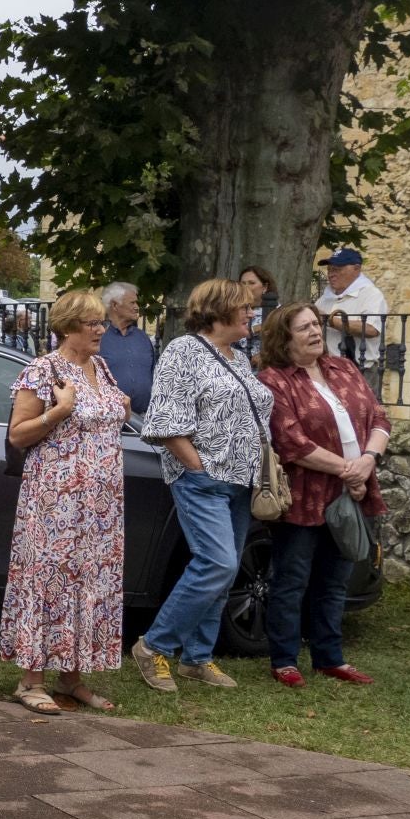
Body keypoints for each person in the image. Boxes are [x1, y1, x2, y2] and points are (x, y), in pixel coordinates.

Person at [131, 278, 272, 692]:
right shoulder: (184, 351)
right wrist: (198, 467)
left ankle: (197, 658)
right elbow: (163, 420)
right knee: (217, 563)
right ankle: (153, 646)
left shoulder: (239, 358)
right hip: (204, 480)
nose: (251, 313)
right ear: (219, 309)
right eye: (245, 307)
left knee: (223, 573)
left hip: (242, 481)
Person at [0, 289, 129, 712]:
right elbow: (18, 434)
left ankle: (72, 677)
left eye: (101, 323)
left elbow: (103, 418)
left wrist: (122, 410)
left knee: (88, 581)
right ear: (69, 326)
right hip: (55, 501)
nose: (100, 330)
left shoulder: (101, 367)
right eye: (93, 323)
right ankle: (30, 679)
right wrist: (58, 411)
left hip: (101, 506)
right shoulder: (44, 369)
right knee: (49, 579)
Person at [256, 303, 388, 686]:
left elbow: (379, 418)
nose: (315, 332)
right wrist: (349, 470)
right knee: (292, 579)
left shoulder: (344, 368)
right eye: (304, 328)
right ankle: (284, 659)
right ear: (285, 337)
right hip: (305, 493)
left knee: (335, 579)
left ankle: (329, 657)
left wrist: (367, 461)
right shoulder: (274, 380)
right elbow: (291, 441)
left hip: (352, 491)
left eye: (316, 324)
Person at [316, 249, 390, 375]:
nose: (331, 274)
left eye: (337, 269)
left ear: (356, 269)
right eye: (329, 270)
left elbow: (371, 329)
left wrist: (329, 320)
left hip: (360, 370)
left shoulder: (371, 294)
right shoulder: (325, 298)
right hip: (328, 367)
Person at [99, 281, 156, 414]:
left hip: (143, 419)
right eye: (132, 303)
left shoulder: (142, 338)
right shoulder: (98, 337)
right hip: (109, 418)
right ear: (115, 305)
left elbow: (154, 375)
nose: (137, 307)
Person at [238, 266, 278, 360]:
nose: (246, 287)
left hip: (264, 368)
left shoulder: (276, 310)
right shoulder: (233, 309)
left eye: (251, 283)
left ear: (265, 287)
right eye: (243, 283)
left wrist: (265, 355)